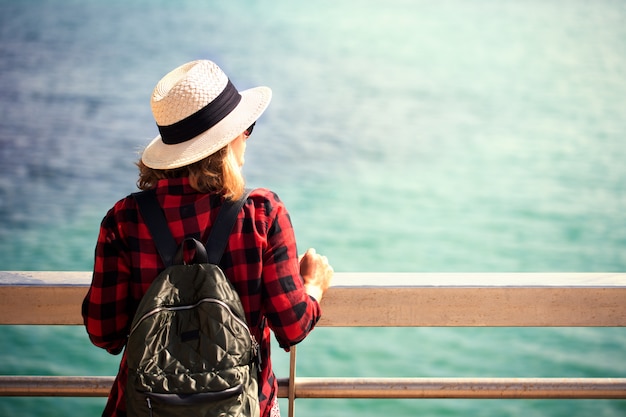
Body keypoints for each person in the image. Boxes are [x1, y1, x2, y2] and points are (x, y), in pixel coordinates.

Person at [82, 60, 334, 417]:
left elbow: (103, 331)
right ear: (227, 139)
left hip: (147, 407)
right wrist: (313, 286)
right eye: (246, 128)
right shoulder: (262, 214)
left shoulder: (124, 220)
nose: (247, 136)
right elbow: (291, 326)